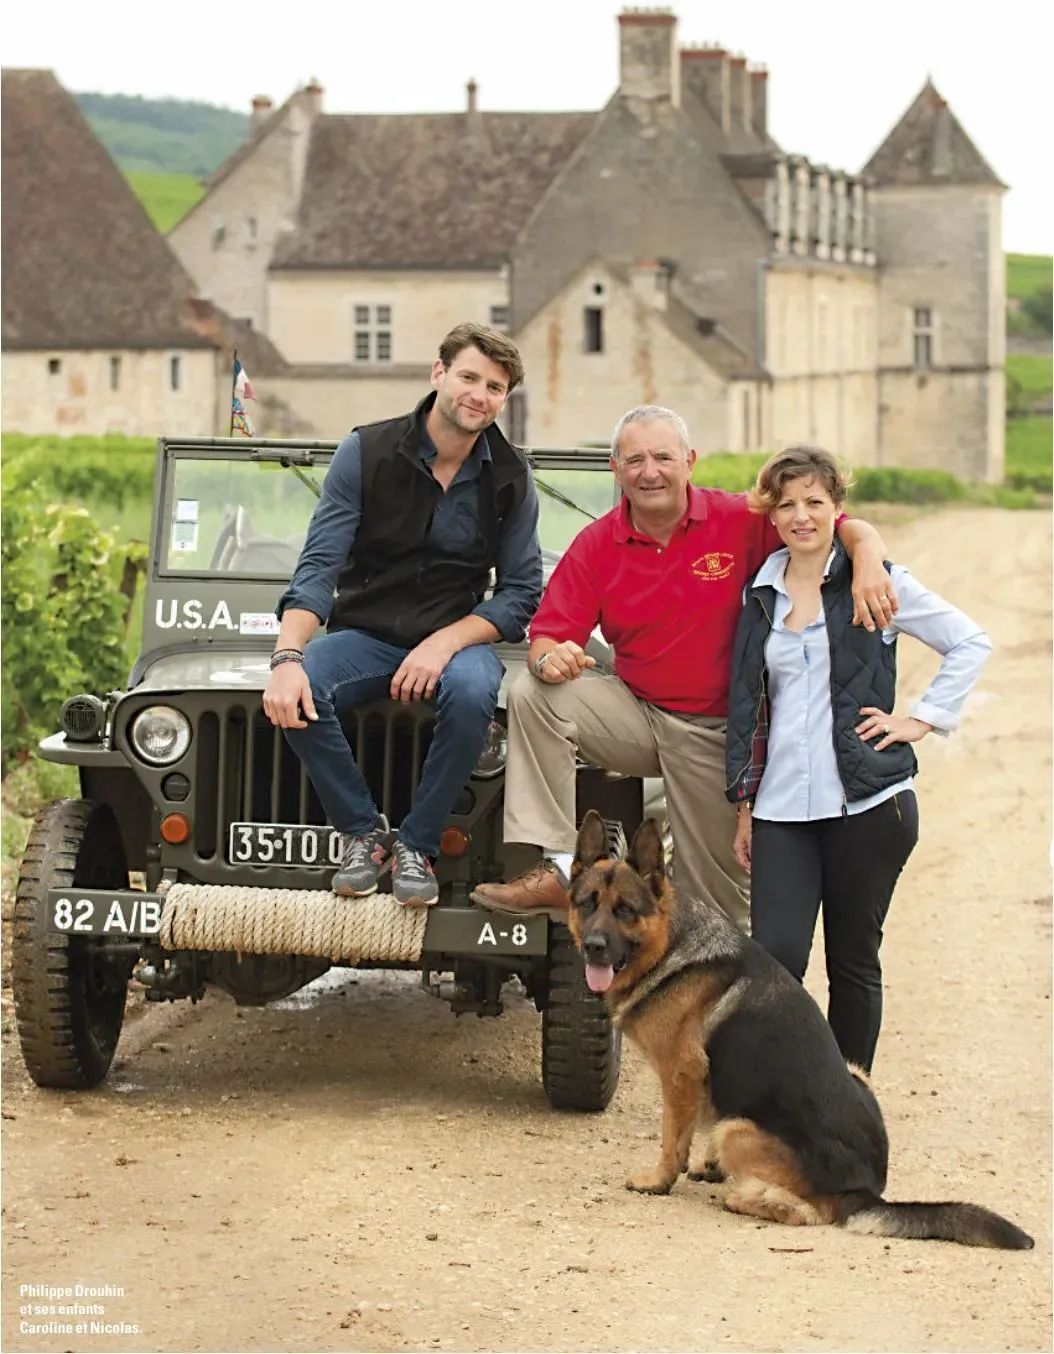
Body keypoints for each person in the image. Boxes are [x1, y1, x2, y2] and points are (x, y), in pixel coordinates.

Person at [470, 405, 897, 930]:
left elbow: (830, 524)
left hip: (718, 734)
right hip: (637, 712)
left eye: (663, 457)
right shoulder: (597, 544)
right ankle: (561, 867)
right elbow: (548, 635)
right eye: (635, 460)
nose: (649, 472)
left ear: (690, 461)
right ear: (615, 469)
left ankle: (720, 980)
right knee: (534, 693)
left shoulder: (737, 519)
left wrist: (868, 553)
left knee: (713, 906)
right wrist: (548, 656)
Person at [724, 445, 991, 1071]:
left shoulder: (875, 581)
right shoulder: (760, 592)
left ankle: (849, 1098)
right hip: (781, 809)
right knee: (775, 959)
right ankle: (782, 1097)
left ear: (837, 508)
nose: (801, 516)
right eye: (787, 504)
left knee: (852, 960)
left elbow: (969, 642)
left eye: (815, 502)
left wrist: (918, 721)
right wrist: (745, 805)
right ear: (771, 514)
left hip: (869, 806)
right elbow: (751, 709)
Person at [263, 323, 542, 907]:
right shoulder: (365, 451)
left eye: (494, 387)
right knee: (301, 684)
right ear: (438, 373)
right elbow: (318, 566)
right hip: (366, 635)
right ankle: (364, 833)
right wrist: (287, 657)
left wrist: (444, 643)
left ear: (504, 398)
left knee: (475, 693)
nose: (479, 395)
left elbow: (520, 593)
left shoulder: (511, 476)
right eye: (468, 377)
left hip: (458, 643)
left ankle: (418, 845)